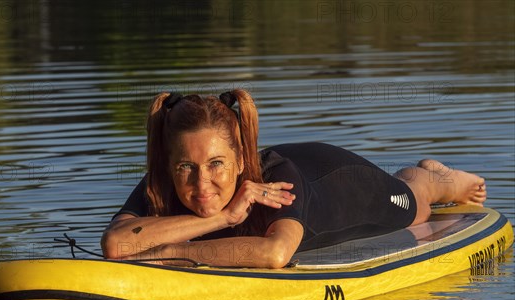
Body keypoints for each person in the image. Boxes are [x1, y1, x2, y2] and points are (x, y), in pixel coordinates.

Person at [101, 90, 486, 268]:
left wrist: (166, 253)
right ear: (172, 165)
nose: (201, 184)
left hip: (340, 182)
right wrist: (223, 217)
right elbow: (117, 245)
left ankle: (436, 176)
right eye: (187, 167)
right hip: (302, 168)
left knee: (414, 203)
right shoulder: (163, 181)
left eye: (216, 164)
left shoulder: (276, 181)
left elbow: (275, 254)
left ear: (240, 160)